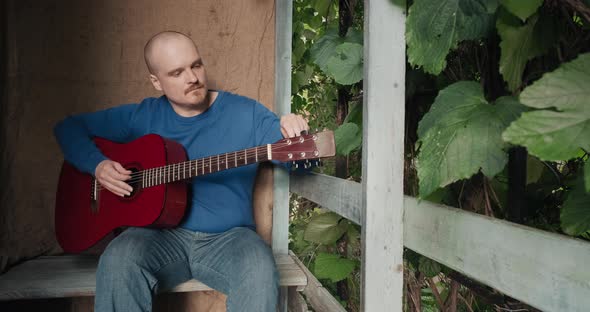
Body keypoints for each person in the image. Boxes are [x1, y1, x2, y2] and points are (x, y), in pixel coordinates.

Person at [53, 30, 309, 312]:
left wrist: (294, 130)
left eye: (196, 65)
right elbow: (68, 128)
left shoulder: (247, 113)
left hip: (230, 239)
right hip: (157, 237)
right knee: (118, 259)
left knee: (259, 268)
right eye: (177, 73)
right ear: (156, 82)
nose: (193, 78)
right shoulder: (142, 116)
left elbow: (294, 154)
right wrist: (98, 165)